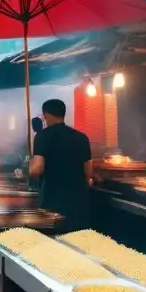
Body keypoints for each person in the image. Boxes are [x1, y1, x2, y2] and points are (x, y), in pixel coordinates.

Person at [26, 99, 93, 232]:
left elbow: (36, 170)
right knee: (76, 242)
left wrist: (30, 166)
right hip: (78, 202)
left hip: (53, 203)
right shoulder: (82, 137)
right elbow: (89, 172)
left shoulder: (42, 136)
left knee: (53, 245)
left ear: (46, 115)